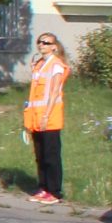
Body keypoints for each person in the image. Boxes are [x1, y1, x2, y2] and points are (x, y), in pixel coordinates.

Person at [24, 33, 69, 206]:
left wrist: (46, 115)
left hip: (49, 118)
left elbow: (55, 91)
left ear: (54, 46)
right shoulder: (40, 65)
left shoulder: (56, 65)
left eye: (46, 42)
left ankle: (55, 191)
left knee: (51, 156)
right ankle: (43, 188)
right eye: (39, 42)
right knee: (40, 155)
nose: (41, 45)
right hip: (36, 117)